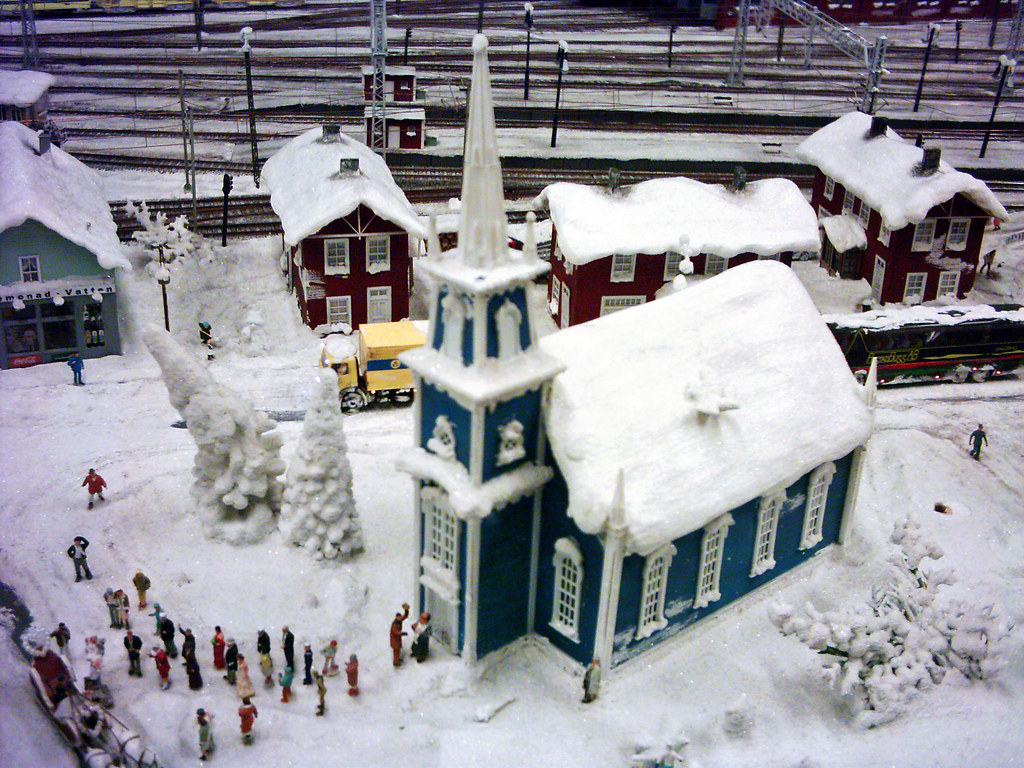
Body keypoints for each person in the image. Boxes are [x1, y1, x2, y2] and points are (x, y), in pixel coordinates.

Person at [390, 602, 410, 667]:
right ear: (396, 617)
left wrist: (406, 610)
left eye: (400, 617)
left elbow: (405, 616)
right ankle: (396, 662)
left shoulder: (399, 621)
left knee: (397, 651)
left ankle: (397, 660)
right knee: (396, 651)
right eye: (398, 617)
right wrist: (402, 633)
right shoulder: (395, 624)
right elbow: (396, 632)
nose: (400, 618)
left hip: (397, 639)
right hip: (395, 640)